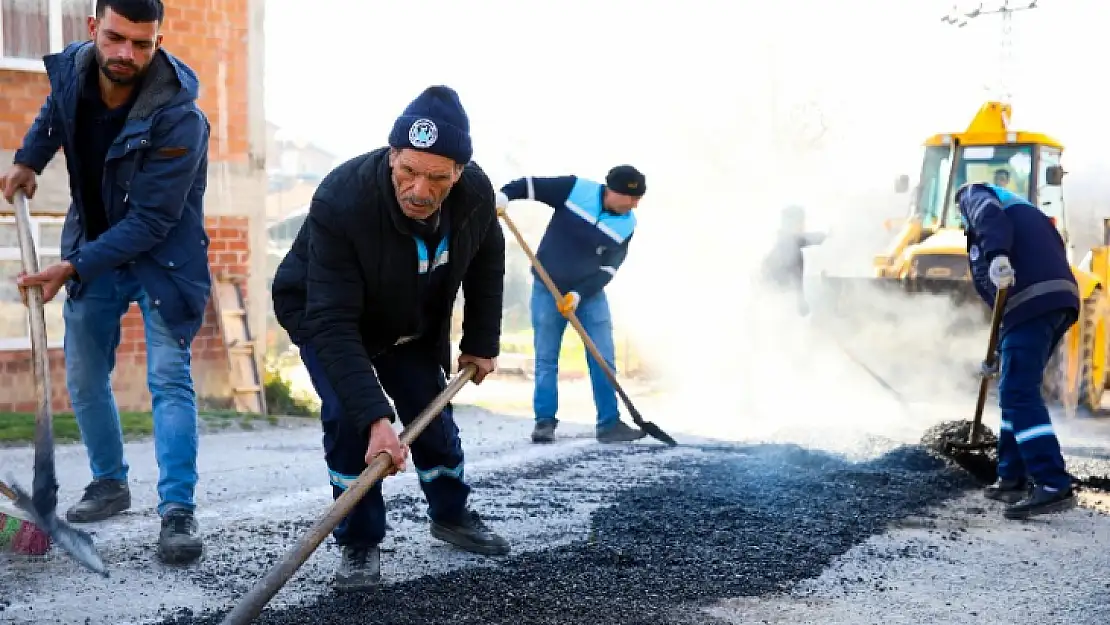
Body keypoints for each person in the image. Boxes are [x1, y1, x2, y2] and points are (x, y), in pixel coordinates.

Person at [271, 85, 510, 591]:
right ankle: (359, 542)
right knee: (349, 419)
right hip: (327, 315)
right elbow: (332, 322)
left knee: (430, 410)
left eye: (437, 178)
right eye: (408, 172)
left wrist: (481, 339)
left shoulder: (476, 196)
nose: (420, 190)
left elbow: (487, 258)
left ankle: (451, 513)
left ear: (459, 172)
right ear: (392, 155)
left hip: (408, 317)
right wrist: (376, 418)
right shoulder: (342, 199)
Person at [0, 0, 210, 564]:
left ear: (158, 42)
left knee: (169, 379)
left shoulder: (180, 118)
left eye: (142, 44)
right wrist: (29, 158)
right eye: (115, 38)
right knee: (86, 374)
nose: (126, 54)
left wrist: (71, 267)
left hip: (163, 261)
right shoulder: (73, 68)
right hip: (94, 246)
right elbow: (56, 111)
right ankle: (109, 482)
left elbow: (151, 220)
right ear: (94, 28)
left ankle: (177, 513)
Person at [497, 166, 647, 444]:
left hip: (590, 296)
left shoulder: (626, 224)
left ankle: (609, 424)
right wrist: (504, 196)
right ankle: (544, 423)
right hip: (547, 288)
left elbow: (609, 269)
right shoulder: (575, 190)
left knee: (603, 358)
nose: (635, 204)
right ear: (613, 191)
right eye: (632, 197)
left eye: (638, 199)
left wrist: (579, 294)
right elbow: (529, 184)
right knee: (546, 358)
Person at [957, 181, 1079, 519]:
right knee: (1014, 387)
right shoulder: (1029, 215)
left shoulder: (974, 194)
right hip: (1055, 300)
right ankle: (1011, 476)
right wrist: (997, 351)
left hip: (1034, 301)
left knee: (1017, 391)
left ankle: (1052, 482)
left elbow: (988, 216)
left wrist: (996, 254)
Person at [760, 204, 826, 316]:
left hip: (787, 303)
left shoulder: (791, 243)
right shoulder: (787, 244)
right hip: (782, 305)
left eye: (802, 221)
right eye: (799, 222)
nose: (802, 226)